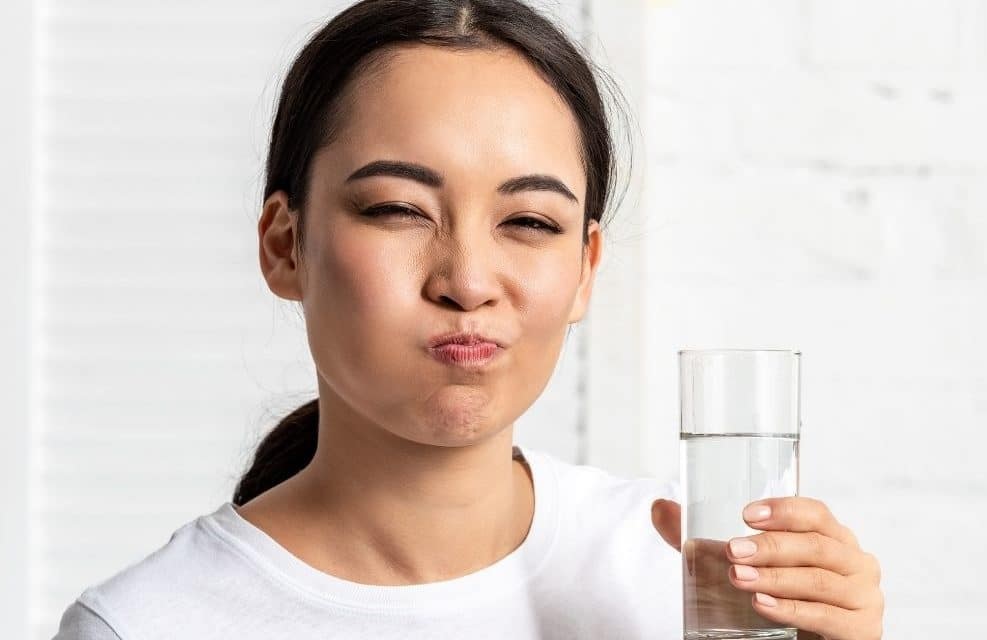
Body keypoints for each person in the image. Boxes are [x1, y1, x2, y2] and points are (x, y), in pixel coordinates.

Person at [53, 1, 884, 638]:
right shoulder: (148, 623)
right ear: (285, 245)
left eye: (529, 222)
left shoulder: (688, 580)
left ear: (586, 269)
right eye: (398, 209)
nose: (468, 280)